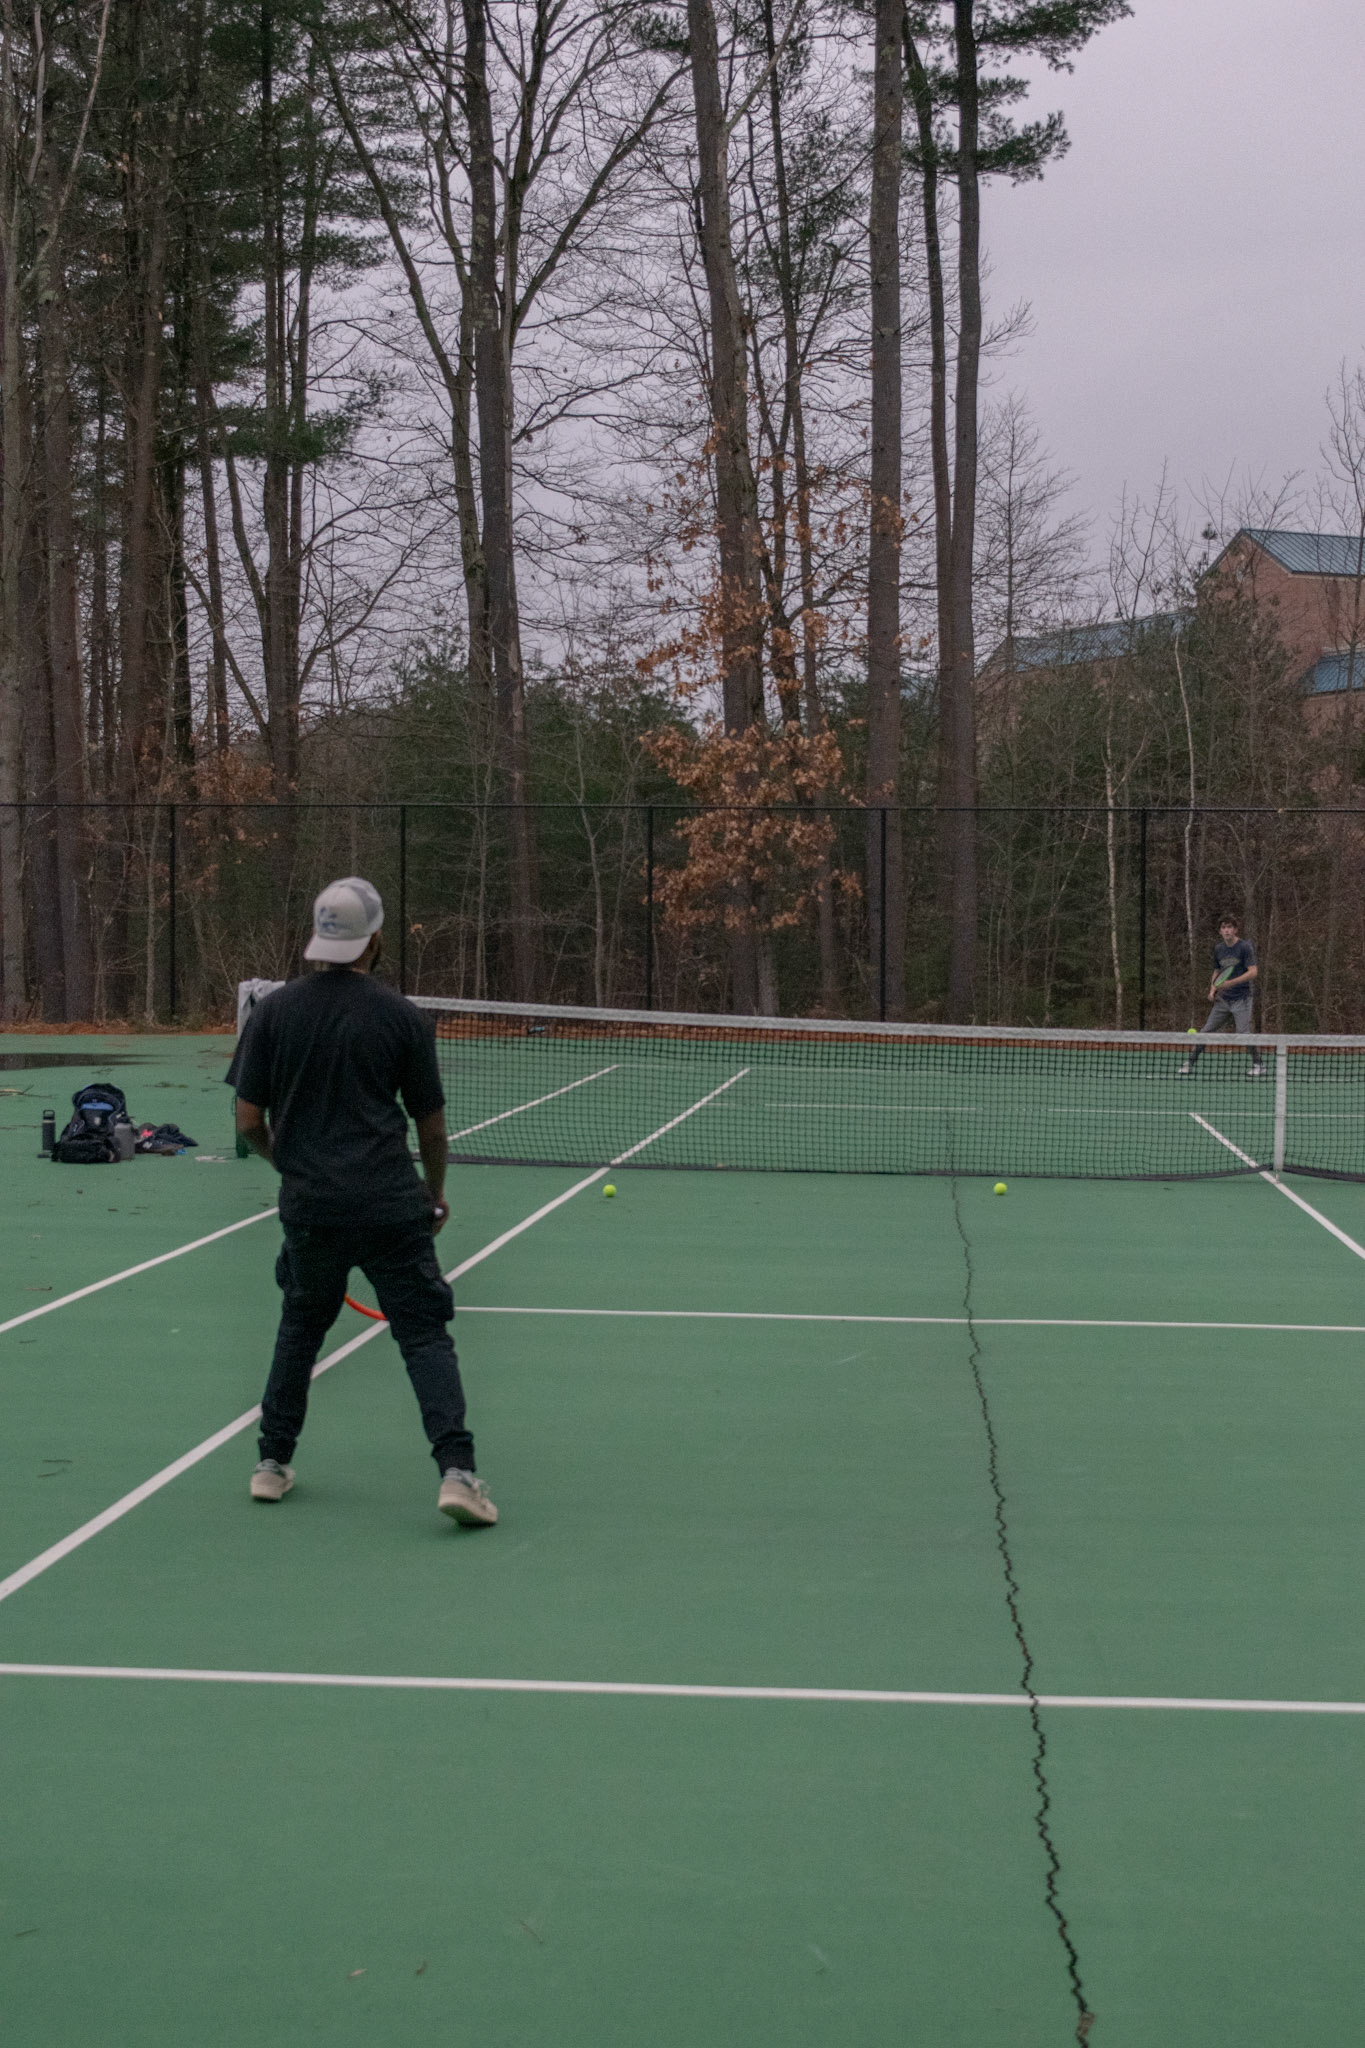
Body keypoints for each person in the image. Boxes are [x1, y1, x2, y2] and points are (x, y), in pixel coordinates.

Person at [228, 876, 497, 1526]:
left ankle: (271, 1464)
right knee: (423, 1337)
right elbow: (431, 1127)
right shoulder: (402, 1018)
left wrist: (289, 1166)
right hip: (389, 1206)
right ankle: (458, 1475)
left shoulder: (273, 1013)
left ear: (318, 937)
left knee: (299, 1330)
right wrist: (435, 1194)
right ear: (375, 940)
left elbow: (247, 1121)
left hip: (312, 1210)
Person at [1178, 916, 1264, 1079]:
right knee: (1205, 1032)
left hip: (1242, 999)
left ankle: (1258, 1064)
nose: (1227, 930)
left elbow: (1253, 972)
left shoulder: (1245, 947)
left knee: (1243, 1034)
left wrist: (1231, 983)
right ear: (1220, 931)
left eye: (1230, 927)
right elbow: (1217, 971)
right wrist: (1212, 989)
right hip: (1223, 1000)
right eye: (1224, 928)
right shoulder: (1219, 949)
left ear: (1235, 930)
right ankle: (1189, 1063)